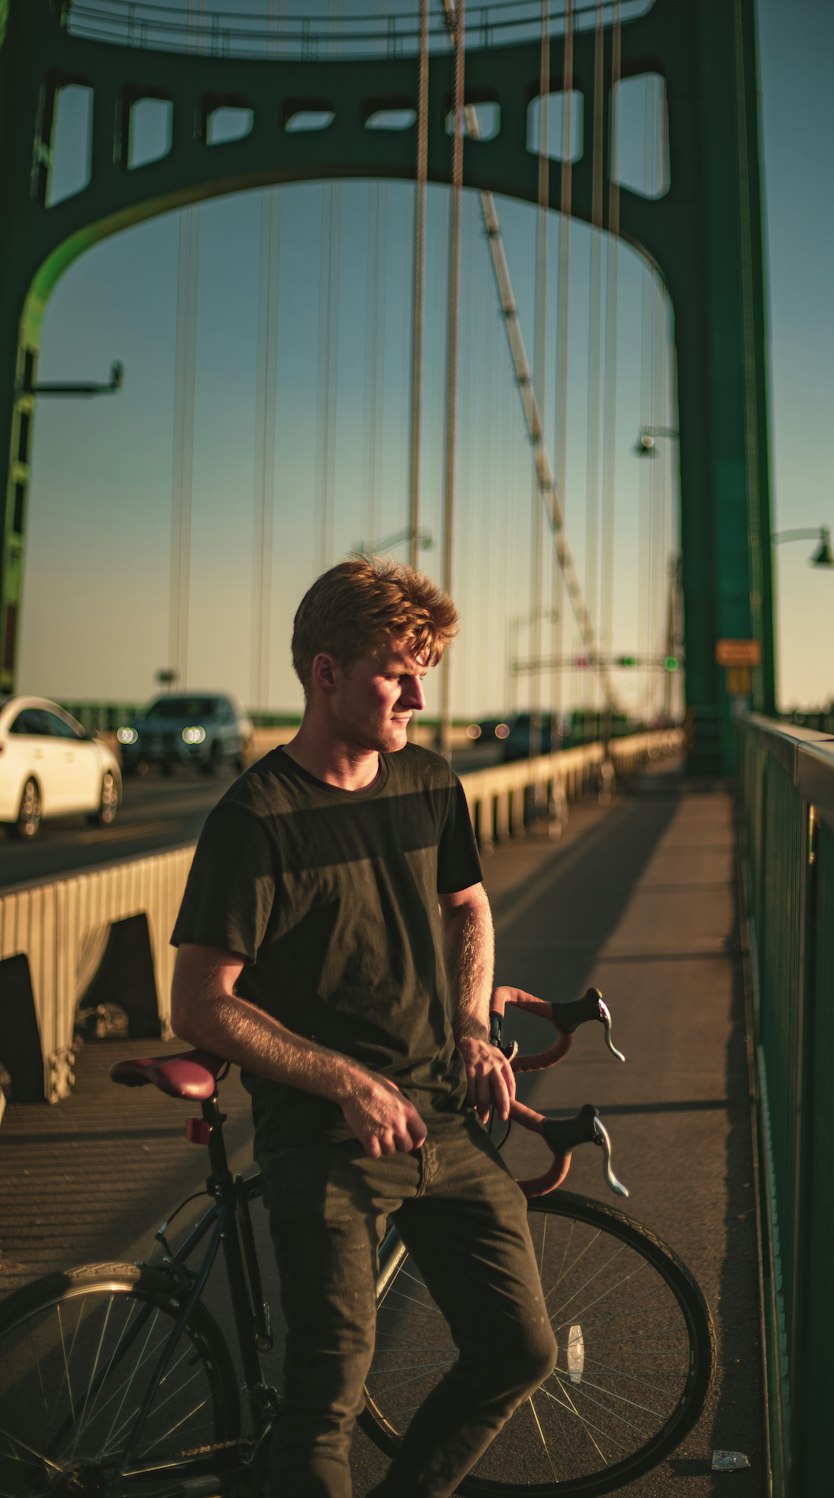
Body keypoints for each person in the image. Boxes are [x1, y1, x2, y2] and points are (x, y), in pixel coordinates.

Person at [169, 556, 557, 1498]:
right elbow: (199, 1003)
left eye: (425, 673)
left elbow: (468, 905)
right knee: (326, 1402)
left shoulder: (428, 783)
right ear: (326, 673)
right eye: (398, 672)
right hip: (325, 1140)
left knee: (518, 1349)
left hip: (445, 1119)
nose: (419, 698)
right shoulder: (255, 820)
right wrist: (344, 1081)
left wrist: (471, 1022)